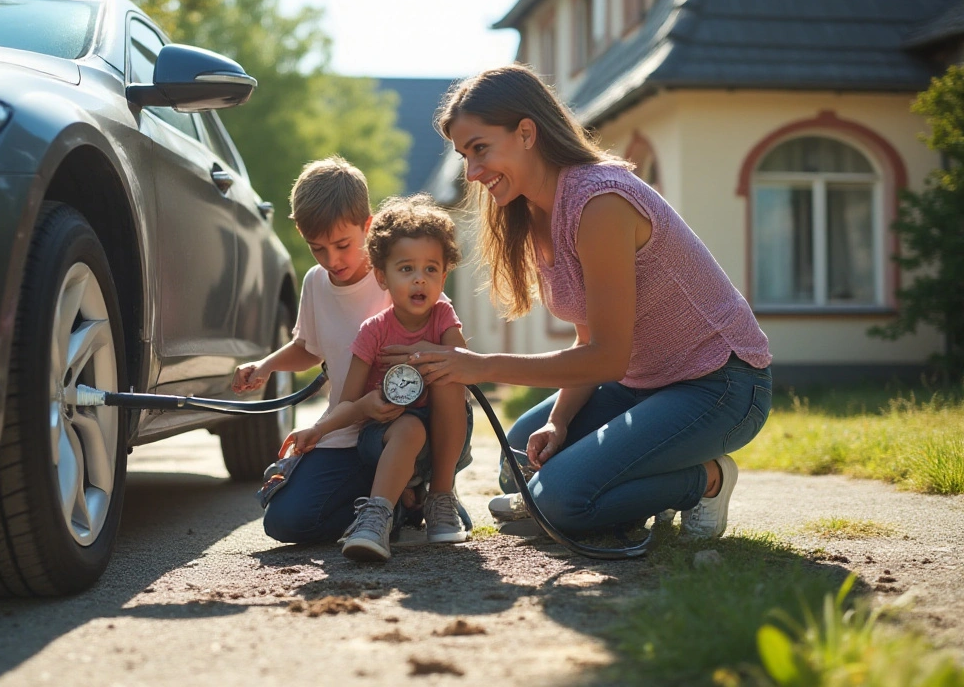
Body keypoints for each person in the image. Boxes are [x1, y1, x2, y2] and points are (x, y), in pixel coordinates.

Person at [389, 64, 772, 541]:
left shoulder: (600, 202)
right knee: (519, 465)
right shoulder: (532, 212)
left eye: (480, 149)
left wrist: (481, 365)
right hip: (642, 385)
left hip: (720, 385)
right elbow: (589, 335)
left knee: (560, 502)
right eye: (465, 156)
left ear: (527, 132)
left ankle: (706, 481)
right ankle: (627, 483)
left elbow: (607, 357)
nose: (472, 172)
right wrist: (559, 419)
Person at [232, 157, 471, 547]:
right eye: (317, 249)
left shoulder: (406, 272)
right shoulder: (315, 283)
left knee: (427, 403)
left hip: (417, 423)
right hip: (351, 425)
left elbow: (449, 345)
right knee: (286, 522)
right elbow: (308, 347)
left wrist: (422, 355)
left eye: (342, 245)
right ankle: (397, 506)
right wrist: (266, 365)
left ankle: (435, 492)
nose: (332, 260)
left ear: (367, 225)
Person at [280, 195, 472, 562]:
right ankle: (377, 516)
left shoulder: (443, 317)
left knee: (449, 373)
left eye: (431, 269)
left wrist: (428, 356)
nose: (420, 278)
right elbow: (348, 403)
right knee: (408, 429)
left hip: (443, 439)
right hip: (380, 437)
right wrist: (318, 430)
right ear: (381, 277)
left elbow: (464, 364)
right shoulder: (372, 333)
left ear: (444, 276)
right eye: (406, 269)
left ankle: (441, 495)